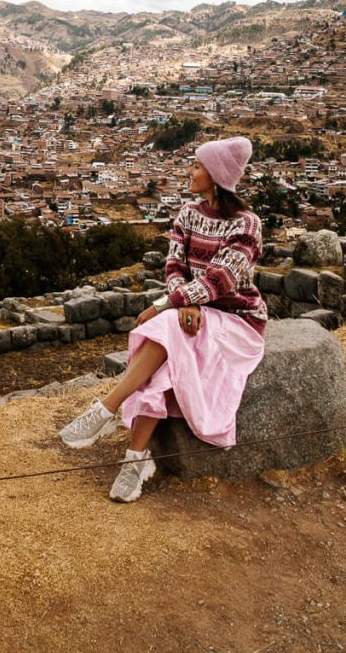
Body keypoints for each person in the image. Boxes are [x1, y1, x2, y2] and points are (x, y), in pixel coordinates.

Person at [58, 136, 267, 502]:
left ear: (216, 175)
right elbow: (175, 266)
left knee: (165, 327)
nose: (191, 171)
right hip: (193, 314)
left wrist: (164, 305)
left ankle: (106, 408)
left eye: (198, 166)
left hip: (236, 320)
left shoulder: (247, 225)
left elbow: (221, 280)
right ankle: (134, 460)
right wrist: (181, 302)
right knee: (164, 368)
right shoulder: (188, 214)